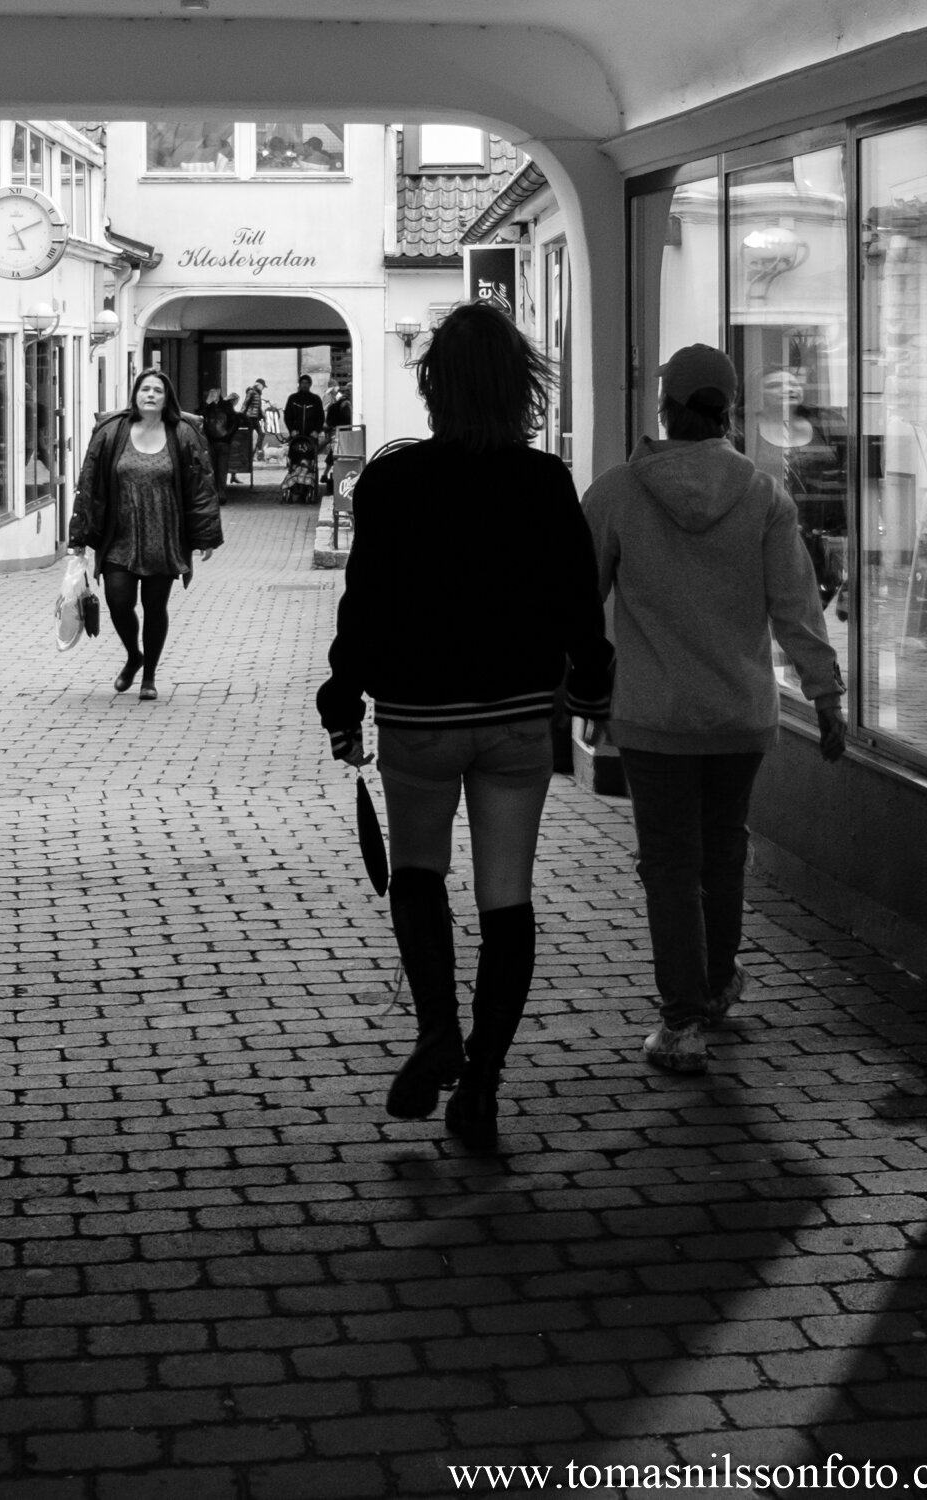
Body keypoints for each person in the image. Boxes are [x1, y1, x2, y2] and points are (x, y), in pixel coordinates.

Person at [317, 301, 613, 1150]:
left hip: (420, 714)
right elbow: (573, 601)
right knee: (506, 897)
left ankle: (437, 1027)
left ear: (434, 385)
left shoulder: (394, 481)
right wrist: (590, 681)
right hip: (519, 718)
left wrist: (344, 698)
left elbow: (364, 603)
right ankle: (481, 1082)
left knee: (417, 875)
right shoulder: (543, 481)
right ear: (519, 388)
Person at [583, 344, 847, 1077]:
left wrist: (573, 688)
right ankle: (718, 982)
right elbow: (797, 609)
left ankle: (682, 1022)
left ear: (663, 408)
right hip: (739, 715)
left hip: (653, 715)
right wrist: (825, 696)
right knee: (723, 851)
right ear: (728, 408)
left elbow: (575, 604)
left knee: (669, 866)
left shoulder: (617, 493)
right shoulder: (764, 495)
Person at [70, 370, 224, 701]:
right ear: (135, 395)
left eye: (157, 390)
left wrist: (205, 535)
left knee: (156, 607)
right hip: (120, 537)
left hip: (163, 537)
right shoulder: (112, 432)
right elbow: (90, 482)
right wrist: (79, 535)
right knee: (118, 602)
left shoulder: (182, 434)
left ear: (167, 398)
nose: (150, 394)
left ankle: (149, 675)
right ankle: (133, 656)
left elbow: (200, 486)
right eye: (145, 389)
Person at [745, 366, 847, 609]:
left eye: (793, 383)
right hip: (764, 530)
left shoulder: (826, 424)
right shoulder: (743, 428)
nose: (787, 389)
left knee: (813, 599)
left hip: (817, 532)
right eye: (774, 385)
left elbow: (845, 475)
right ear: (757, 394)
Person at [201, 386, 240, 501]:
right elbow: (199, 417)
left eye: (215, 392)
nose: (213, 394)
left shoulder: (226, 406)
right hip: (210, 441)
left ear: (219, 393)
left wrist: (228, 435)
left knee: (222, 468)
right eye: (211, 392)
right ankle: (213, 494)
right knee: (211, 468)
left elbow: (235, 421)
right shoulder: (207, 406)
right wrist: (207, 404)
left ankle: (221, 494)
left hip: (223, 442)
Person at [284, 374, 326, 441]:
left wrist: (317, 431)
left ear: (310, 385)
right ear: (300, 384)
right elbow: (287, 416)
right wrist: (291, 430)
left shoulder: (316, 399)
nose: (305, 385)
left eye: (307, 383)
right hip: (296, 436)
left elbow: (321, 417)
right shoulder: (293, 398)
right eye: (303, 383)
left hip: (311, 436)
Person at [243, 379, 267, 457]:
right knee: (249, 437)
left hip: (255, 418)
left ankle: (256, 451)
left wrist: (263, 415)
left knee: (261, 434)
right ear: (258, 385)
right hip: (249, 418)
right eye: (263, 386)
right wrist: (241, 415)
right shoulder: (251, 392)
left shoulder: (258, 394)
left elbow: (258, 407)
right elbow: (245, 404)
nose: (263, 388)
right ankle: (249, 453)